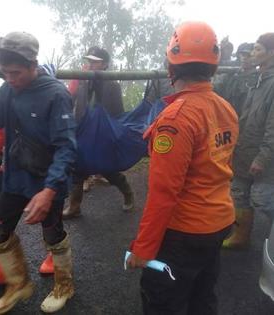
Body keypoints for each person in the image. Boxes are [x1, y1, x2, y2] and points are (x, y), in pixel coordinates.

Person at [126, 21, 238, 314]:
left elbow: (163, 193)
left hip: (183, 234)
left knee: (163, 300)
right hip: (217, 223)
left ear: (170, 68)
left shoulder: (175, 120)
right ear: (213, 67)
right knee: (202, 298)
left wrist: (144, 248)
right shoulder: (225, 108)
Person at [0, 31, 76, 314]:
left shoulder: (55, 94)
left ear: (33, 65)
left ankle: (64, 286)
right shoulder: (6, 89)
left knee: (52, 235)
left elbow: (66, 147)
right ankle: (18, 284)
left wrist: (50, 190)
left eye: (16, 73)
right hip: (15, 177)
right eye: (5, 73)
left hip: (47, 181)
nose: (10, 78)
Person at [62, 46, 134, 220]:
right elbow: (73, 102)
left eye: (95, 61)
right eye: (90, 61)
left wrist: (112, 133)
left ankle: (128, 194)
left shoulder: (112, 84)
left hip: (102, 132)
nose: (91, 64)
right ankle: (74, 206)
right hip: (83, 129)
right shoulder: (83, 81)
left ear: (105, 64)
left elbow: (117, 112)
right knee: (78, 168)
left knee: (107, 169)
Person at [223, 33, 274, 249]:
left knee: (263, 198)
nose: (252, 54)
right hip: (245, 148)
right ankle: (241, 235)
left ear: (271, 53)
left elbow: (273, 126)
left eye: (257, 49)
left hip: (263, 154)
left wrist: (263, 157)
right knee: (239, 191)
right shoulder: (257, 80)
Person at [214, 42, 258, 116]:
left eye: (249, 55)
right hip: (226, 116)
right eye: (243, 55)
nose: (244, 58)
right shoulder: (231, 75)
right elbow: (216, 88)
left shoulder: (259, 79)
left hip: (244, 119)